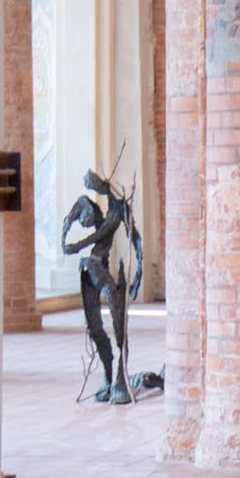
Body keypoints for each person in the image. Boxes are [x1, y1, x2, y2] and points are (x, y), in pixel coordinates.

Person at [62, 170, 146, 403]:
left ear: (103, 184)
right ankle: (108, 377)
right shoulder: (99, 209)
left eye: (95, 184)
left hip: (103, 272)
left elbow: (129, 237)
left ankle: (120, 376)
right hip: (90, 268)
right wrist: (68, 233)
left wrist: (138, 271)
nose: (93, 188)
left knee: (119, 324)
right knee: (94, 326)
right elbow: (90, 223)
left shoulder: (119, 209)